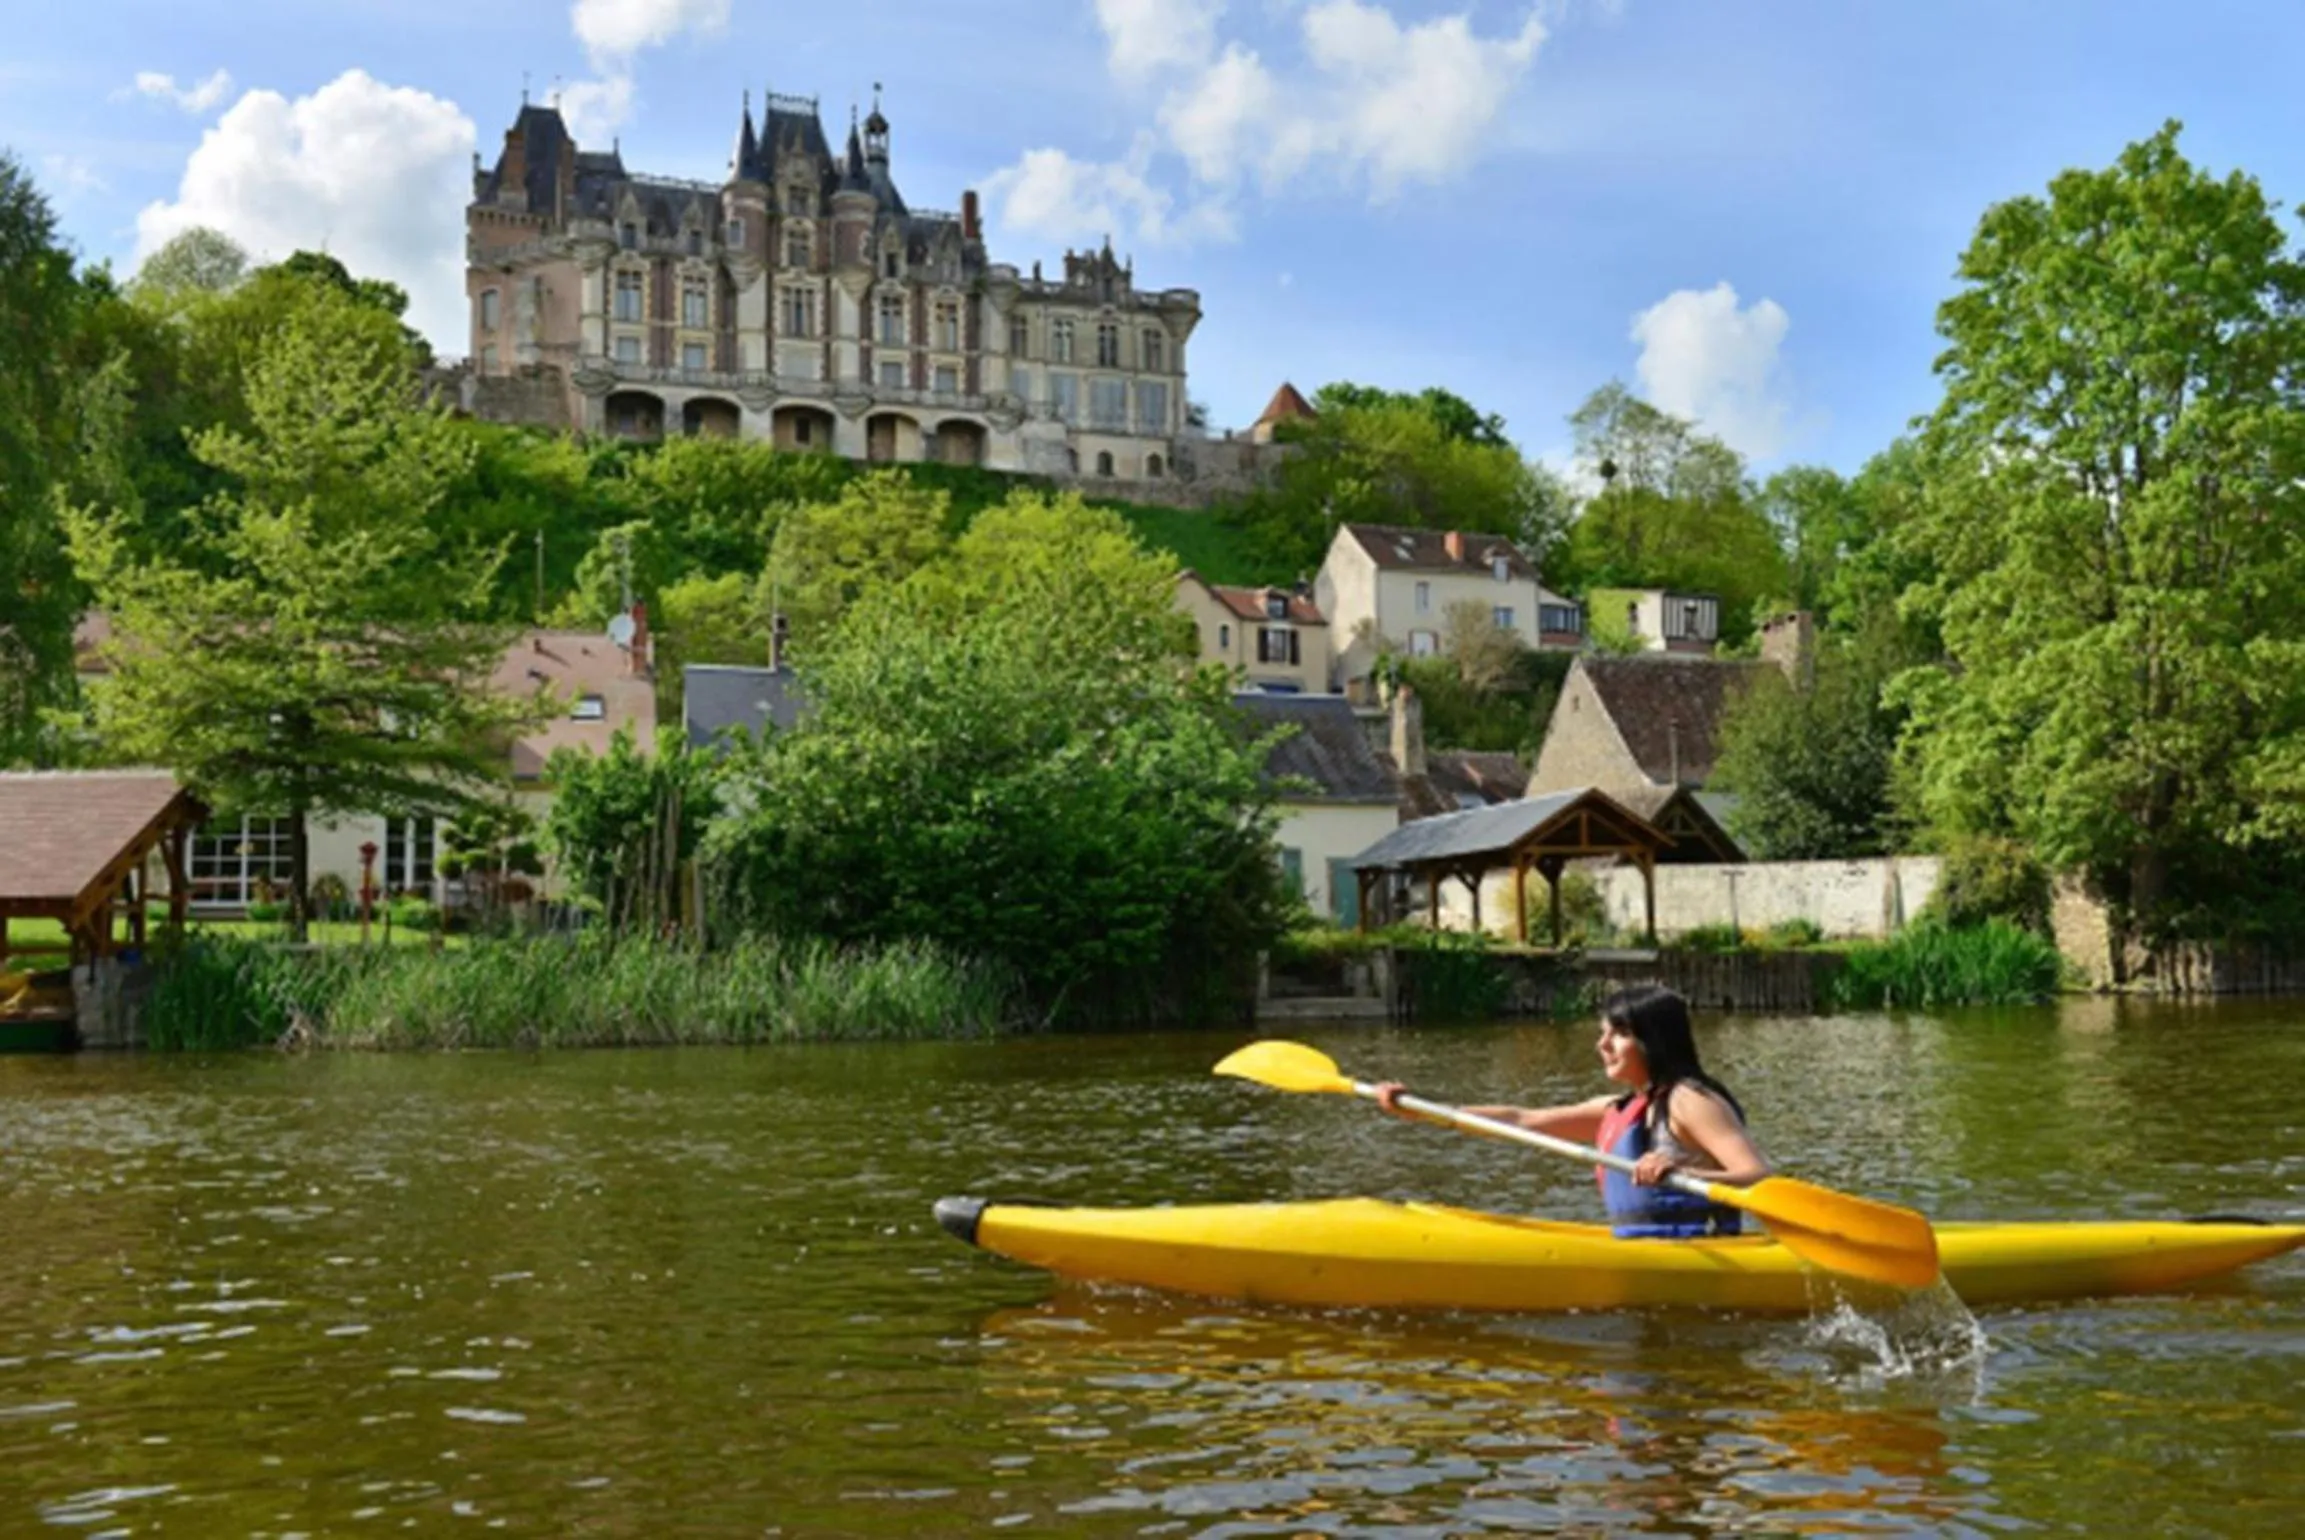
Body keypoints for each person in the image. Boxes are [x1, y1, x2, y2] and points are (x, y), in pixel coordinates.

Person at [1374, 984, 1769, 1237]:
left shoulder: (1691, 1100)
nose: (1603, 1045)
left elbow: (1758, 1177)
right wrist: (1423, 1110)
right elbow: (1520, 1120)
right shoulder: (1618, 1108)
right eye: (1603, 1033)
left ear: (1655, 1041)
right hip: (1646, 1250)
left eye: (1619, 1034)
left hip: (1704, 1257)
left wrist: (1684, 1173)